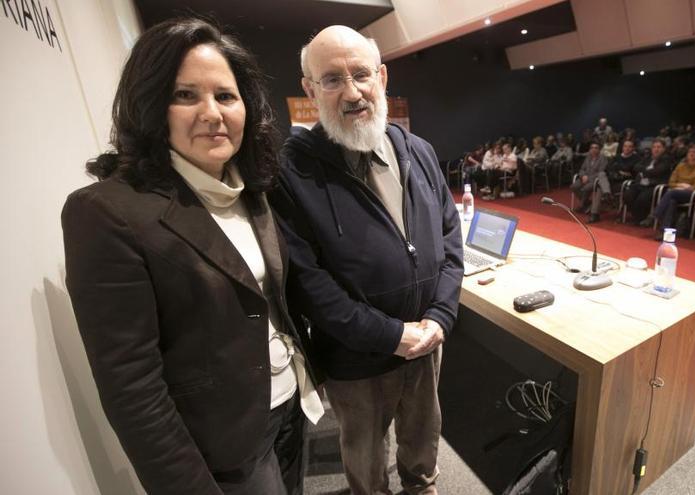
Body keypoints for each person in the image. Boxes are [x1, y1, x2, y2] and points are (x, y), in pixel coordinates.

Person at [61, 18, 323, 495]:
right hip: (224, 447)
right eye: (186, 96)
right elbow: (132, 388)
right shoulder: (105, 212)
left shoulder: (251, 189)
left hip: (291, 408)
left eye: (225, 96)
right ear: (151, 105)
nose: (212, 113)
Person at [269, 25, 463, 495]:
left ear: (382, 76)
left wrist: (440, 316)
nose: (352, 92)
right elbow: (307, 284)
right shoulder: (290, 171)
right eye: (332, 80)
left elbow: (451, 237)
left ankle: (422, 488)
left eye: (360, 75)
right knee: (364, 456)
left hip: (426, 342)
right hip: (355, 357)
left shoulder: (418, 151)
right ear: (310, 90)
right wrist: (389, 335)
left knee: (422, 442)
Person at [648, 144, 695, 237]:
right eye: (690, 152)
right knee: (672, 202)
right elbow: (671, 182)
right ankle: (664, 232)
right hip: (676, 192)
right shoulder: (680, 166)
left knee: (670, 193)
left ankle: (654, 215)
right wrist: (681, 185)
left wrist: (683, 187)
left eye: (694, 152)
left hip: (690, 194)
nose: (692, 154)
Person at [623, 139, 673, 223]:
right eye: (654, 147)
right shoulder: (648, 158)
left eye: (659, 147)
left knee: (642, 199)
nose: (656, 149)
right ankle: (637, 215)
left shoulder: (666, 159)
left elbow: (658, 171)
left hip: (654, 185)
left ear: (664, 149)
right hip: (640, 183)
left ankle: (640, 218)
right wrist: (646, 170)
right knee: (627, 195)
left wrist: (644, 171)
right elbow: (636, 166)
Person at [570, 142, 609, 222]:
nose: (593, 150)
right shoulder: (588, 157)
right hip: (584, 178)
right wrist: (583, 176)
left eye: (596, 148)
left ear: (599, 149)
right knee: (574, 187)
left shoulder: (603, 158)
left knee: (585, 189)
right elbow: (582, 169)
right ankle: (587, 203)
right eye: (592, 148)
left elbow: (601, 172)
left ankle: (585, 204)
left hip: (594, 180)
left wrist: (588, 178)